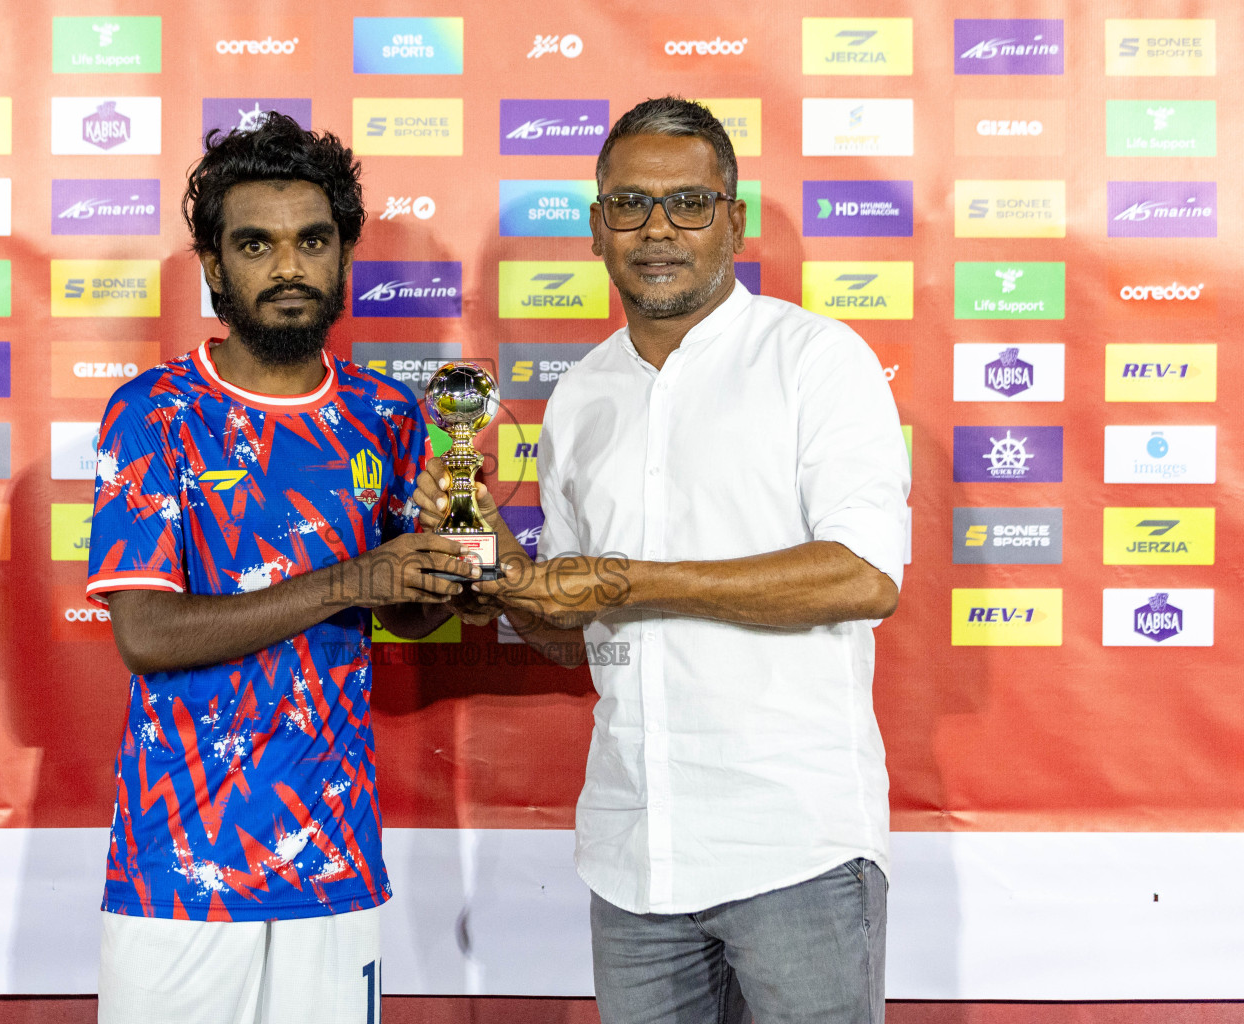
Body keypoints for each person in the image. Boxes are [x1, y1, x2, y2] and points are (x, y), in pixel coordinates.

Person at [416, 96, 911, 1023]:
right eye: (630, 205)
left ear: (734, 219)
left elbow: (863, 576)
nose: (658, 231)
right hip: (633, 852)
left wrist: (630, 579)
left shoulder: (815, 361)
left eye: (688, 203)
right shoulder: (581, 398)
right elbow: (571, 639)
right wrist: (502, 580)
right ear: (597, 226)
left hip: (792, 844)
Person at [87, 112, 474, 1024]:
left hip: (332, 855)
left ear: (344, 256)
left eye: (313, 241)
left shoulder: (390, 417)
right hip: (179, 865)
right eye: (256, 244)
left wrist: (449, 564)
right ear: (215, 266)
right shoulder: (153, 414)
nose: (289, 268)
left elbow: (412, 617)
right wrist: (355, 579)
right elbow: (147, 635)